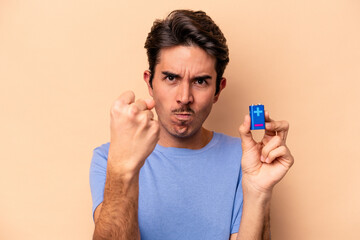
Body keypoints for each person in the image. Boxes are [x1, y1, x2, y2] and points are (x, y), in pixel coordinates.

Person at [89, 9, 294, 240]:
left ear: (218, 89)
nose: (184, 97)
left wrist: (259, 192)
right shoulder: (110, 159)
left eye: (200, 81)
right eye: (171, 78)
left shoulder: (245, 158)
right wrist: (123, 169)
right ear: (150, 83)